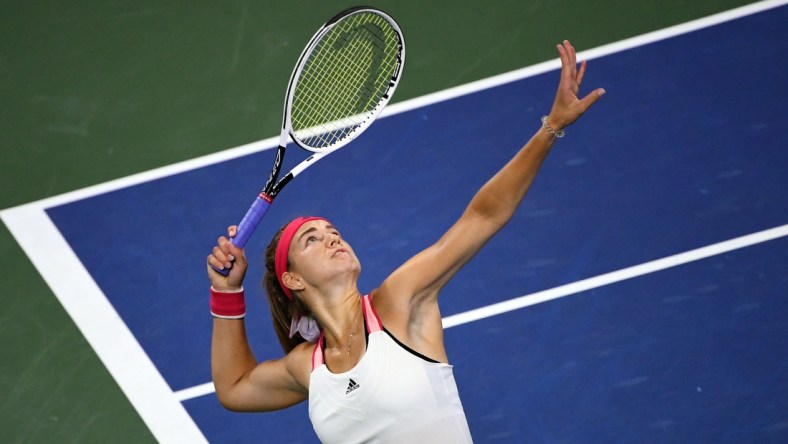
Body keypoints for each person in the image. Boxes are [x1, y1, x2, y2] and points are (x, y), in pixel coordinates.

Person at [207, 40, 604, 443]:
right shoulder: (307, 367)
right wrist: (227, 292)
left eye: (334, 232)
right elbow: (235, 388)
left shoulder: (398, 304)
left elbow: (482, 216)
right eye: (312, 240)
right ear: (292, 280)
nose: (332, 239)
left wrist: (550, 128)